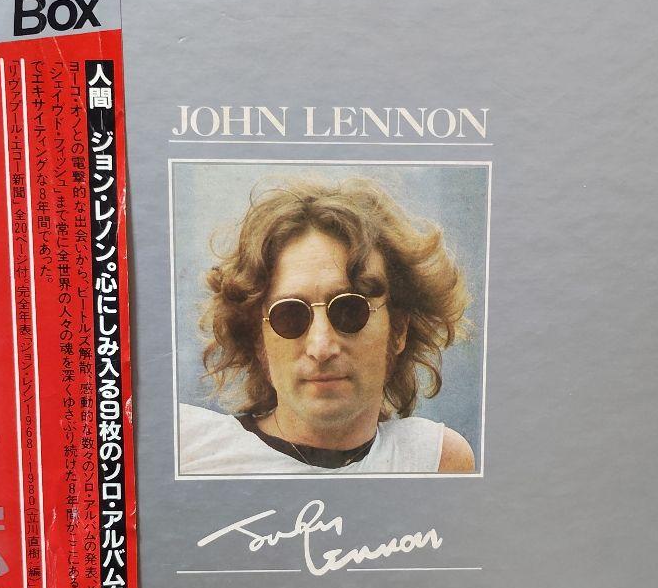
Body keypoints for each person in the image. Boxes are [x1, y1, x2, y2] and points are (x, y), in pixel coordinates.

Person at [179, 178, 475, 474]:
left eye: (349, 311)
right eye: (290, 315)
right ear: (259, 339)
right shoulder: (189, 449)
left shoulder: (433, 460)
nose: (321, 347)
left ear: (398, 330)